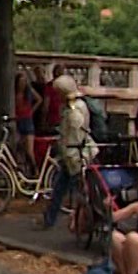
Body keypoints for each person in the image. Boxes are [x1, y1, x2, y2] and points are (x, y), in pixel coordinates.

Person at [44, 75, 95, 230]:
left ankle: (85, 221)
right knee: (60, 188)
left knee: (81, 192)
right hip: (71, 155)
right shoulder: (72, 106)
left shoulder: (75, 109)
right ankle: (49, 219)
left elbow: (76, 131)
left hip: (76, 156)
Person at [13, 70, 42, 168]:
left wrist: (32, 110)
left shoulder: (29, 91)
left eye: (24, 81)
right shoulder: (14, 92)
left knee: (29, 150)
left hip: (27, 121)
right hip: (18, 120)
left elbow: (39, 99)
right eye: (21, 82)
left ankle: (35, 170)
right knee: (18, 147)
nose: (22, 84)